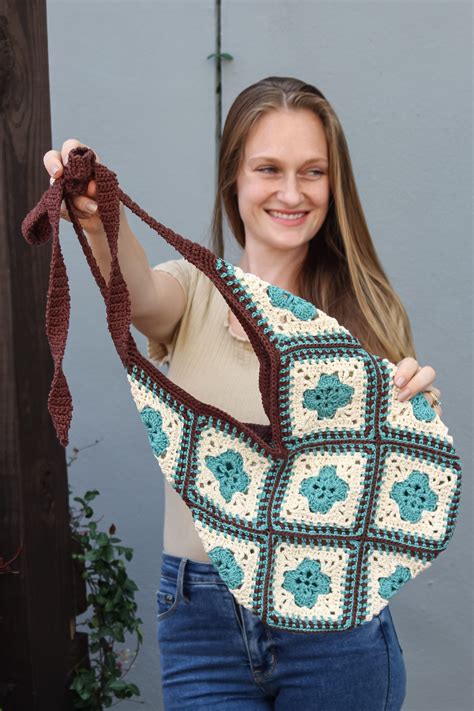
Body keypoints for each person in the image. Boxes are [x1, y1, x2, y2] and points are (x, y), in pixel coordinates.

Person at [44, 76, 443, 710]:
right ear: (235, 178)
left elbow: (389, 487)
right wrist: (96, 217)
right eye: (269, 169)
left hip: (335, 628)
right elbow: (138, 291)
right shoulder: (192, 292)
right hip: (201, 620)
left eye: (313, 172)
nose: (292, 192)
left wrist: (416, 413)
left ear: (334, 186)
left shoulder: (366, 317)